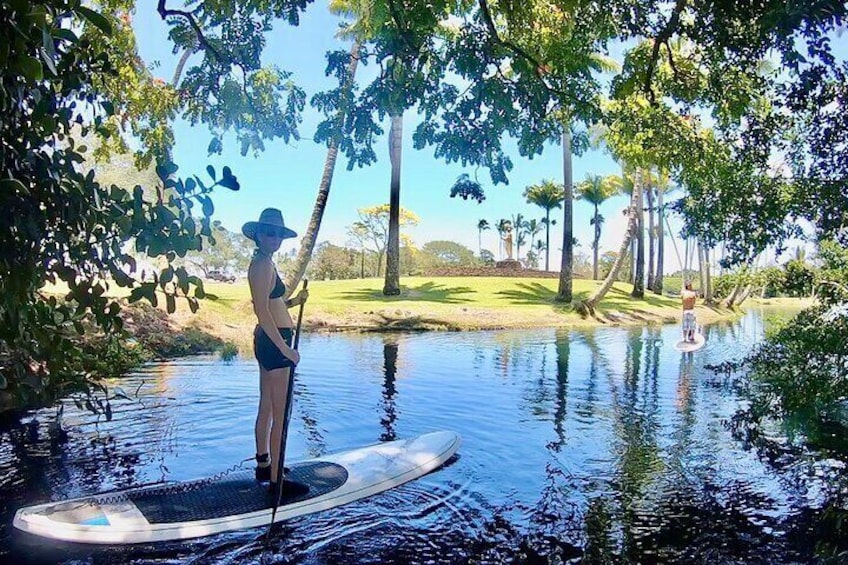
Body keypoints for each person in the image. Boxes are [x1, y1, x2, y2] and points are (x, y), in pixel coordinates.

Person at [242, 208, 310, 496]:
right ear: (258, 234)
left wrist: (295, 301)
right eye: (269, 232)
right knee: (281, 414)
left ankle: (265, 464)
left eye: (279, 234)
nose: (275, 238)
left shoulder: (265, 263)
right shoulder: (262, 265)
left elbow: (273, 304)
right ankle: (276, 481)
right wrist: (286, 349)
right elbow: (261, 311)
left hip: (270, 340)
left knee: (267, 407)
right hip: (274, 342)